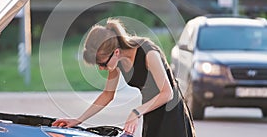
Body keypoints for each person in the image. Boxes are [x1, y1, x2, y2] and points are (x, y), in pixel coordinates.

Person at [52, 18, 196, 137]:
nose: (101, 68)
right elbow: (108, 95)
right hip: (151, 111)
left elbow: (167, 93)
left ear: (115, 52)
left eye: (102, 64)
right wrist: (78, 120)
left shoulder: (148, 53)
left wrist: (136, 112)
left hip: (172, 114)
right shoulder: (116, 61)